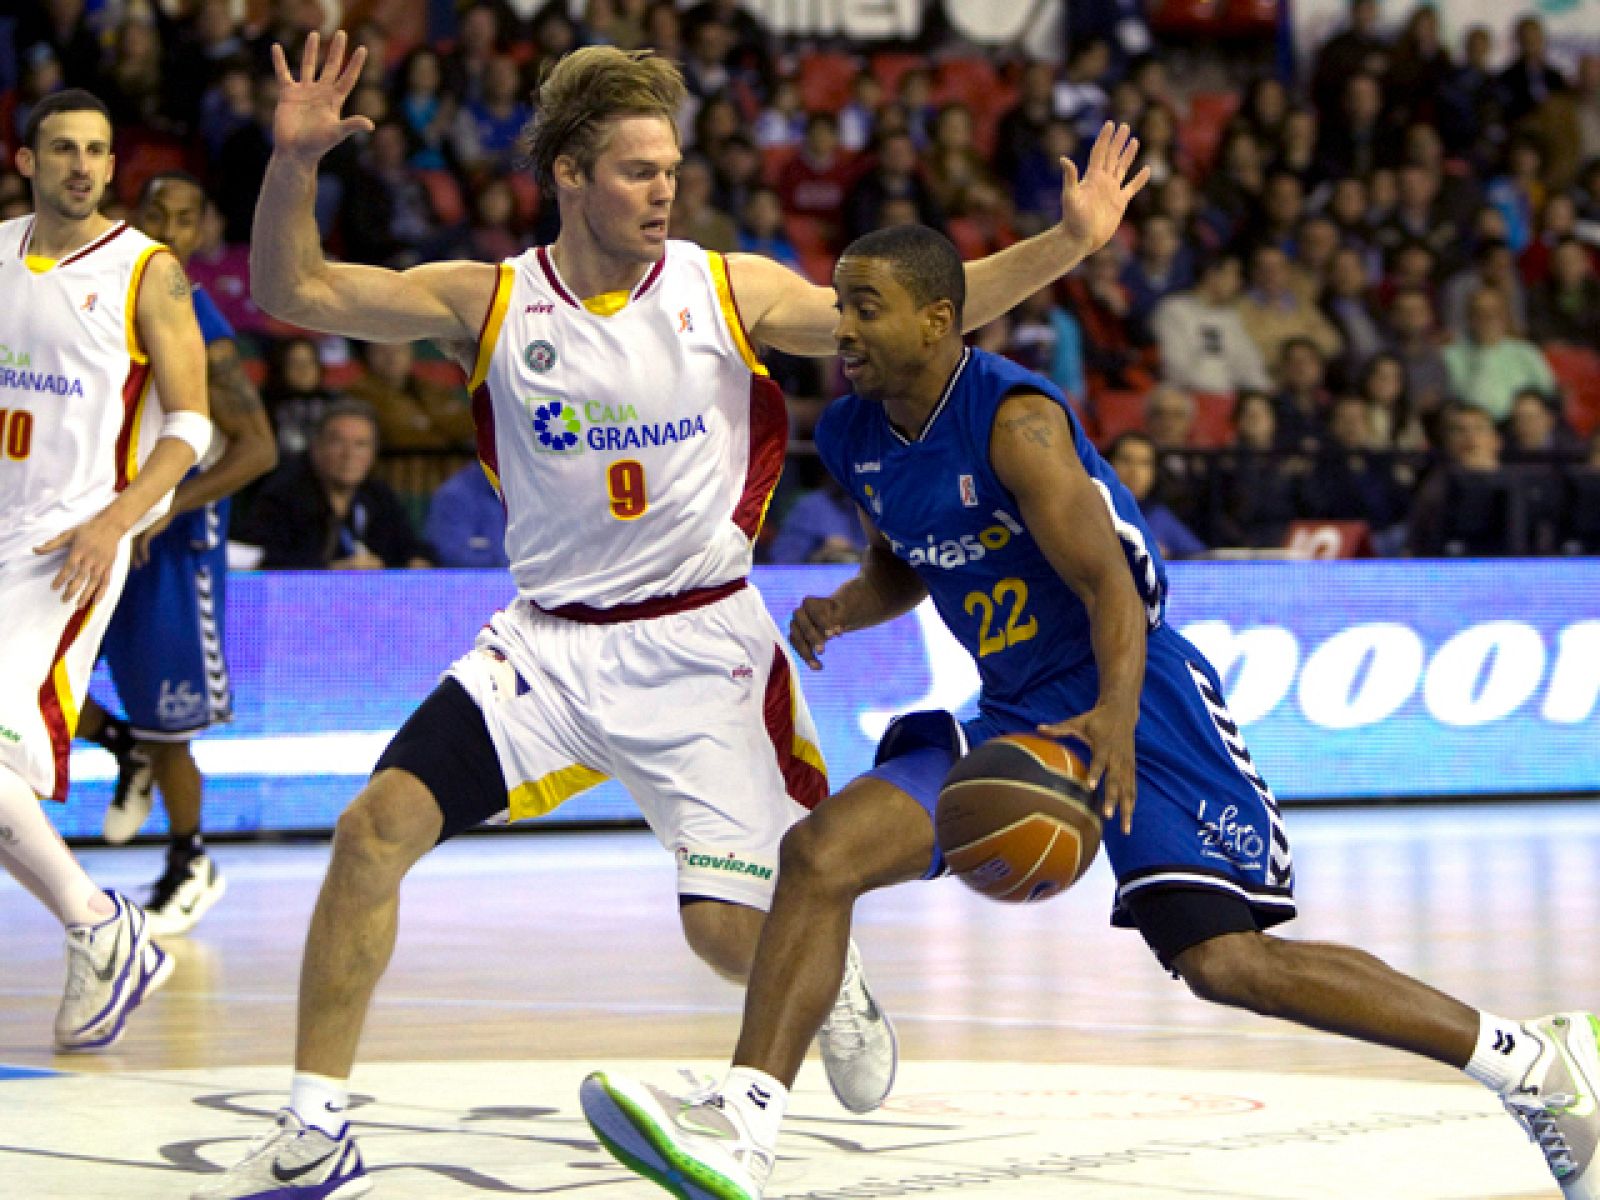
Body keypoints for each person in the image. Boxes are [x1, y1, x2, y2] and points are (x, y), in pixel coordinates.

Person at [194, 35, 1148, 1200]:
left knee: (718, 931)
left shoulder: (725, 289)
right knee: (369, 834)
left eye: (671, 168)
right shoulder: (487, 302)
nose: (665, 189)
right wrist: (291, 165)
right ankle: (314, 1127)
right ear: (570, 177)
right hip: (544, 649)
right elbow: (298, 291)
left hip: (704, 653)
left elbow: (928, 320)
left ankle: (829, 985)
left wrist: (1067, 243)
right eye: (639, 169)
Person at [579, 225, 1600, 1200]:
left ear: (939, 321)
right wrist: (849, 607)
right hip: (1015, 707)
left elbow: (1110, 587)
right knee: (820, 856)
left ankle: (1528, 1059)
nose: (840, 327)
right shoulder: (851, 433)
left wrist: (1111, 720)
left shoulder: (1016, 423)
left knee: (1224, 962)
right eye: (839, 304)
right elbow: (912, 549)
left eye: (865, 307)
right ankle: (743, 1124)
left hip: (1136, 694)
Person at [0, 89, 211, 1049]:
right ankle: (100, 925)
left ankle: (101, 925)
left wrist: (116, 521)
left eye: (97, 150)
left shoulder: (146, 270)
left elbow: (192, 424)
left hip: (66, 550)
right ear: (26, 160)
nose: (83, 165)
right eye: (64, 149)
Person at [73, 171, 278, 937]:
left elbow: (257, 450)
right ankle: (119, 748)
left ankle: (191, 860)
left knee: (171, 723)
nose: (168, 226)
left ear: (201, 233)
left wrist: (166, 504)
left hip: (175, 539)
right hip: (97, 518)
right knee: (31, 675)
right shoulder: (103, 300)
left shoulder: (199, 316)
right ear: (130, 214)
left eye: (184, 217)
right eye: (155, 210)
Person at [233, 401, 435, 570]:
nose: (349, 455)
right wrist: (331, 570)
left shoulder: (378, 495)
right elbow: (260, 559)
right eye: (337, 442)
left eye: (361, 444)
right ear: (316, 446)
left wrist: (416, 562)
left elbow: (412, 546)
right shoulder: (282, 496)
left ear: (373, 454)